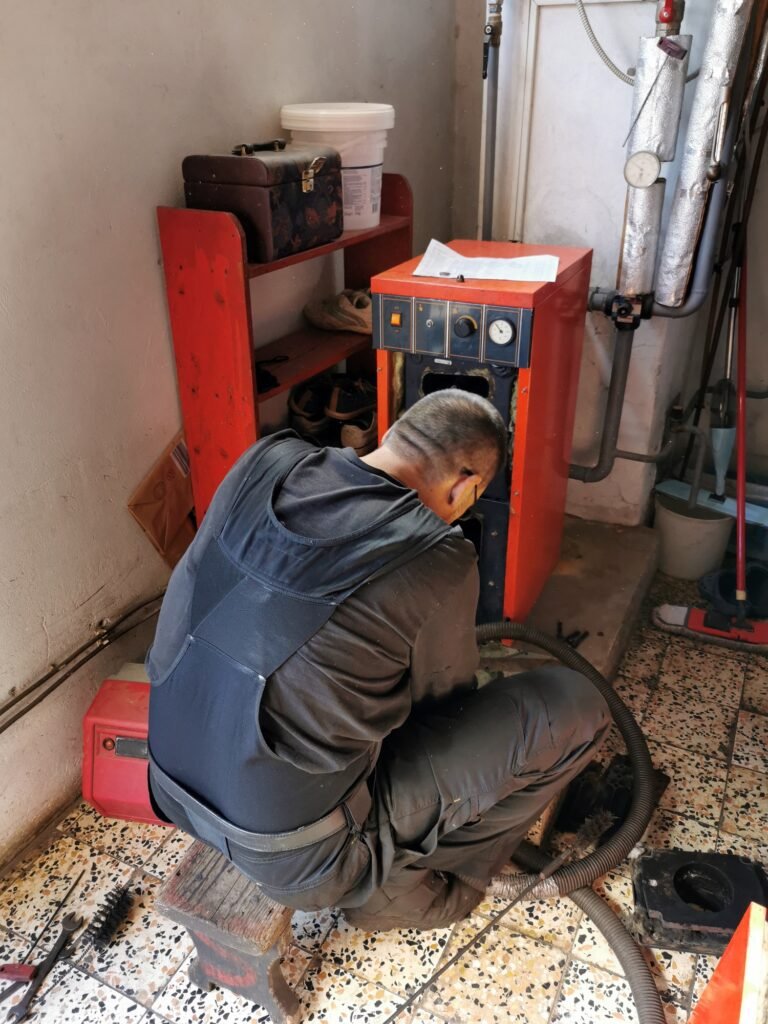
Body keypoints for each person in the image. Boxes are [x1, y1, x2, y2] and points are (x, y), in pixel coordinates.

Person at [147, 390, 610, 931]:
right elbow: (442, 712)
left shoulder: (265, 460)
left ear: (392, 437)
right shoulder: (436, 555)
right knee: (575, 705)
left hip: (170, 783)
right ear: (466, 488)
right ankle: (397, 889)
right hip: (301, 858)